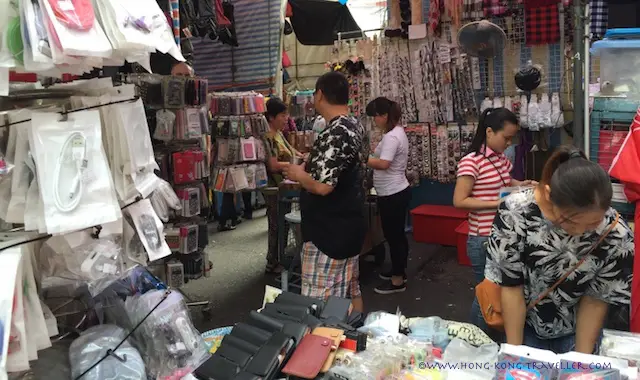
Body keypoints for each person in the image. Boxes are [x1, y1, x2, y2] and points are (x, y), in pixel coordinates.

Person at [482, 146, 633, 353]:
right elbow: (511, 286)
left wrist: (581, 362)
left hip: (575, 329)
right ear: (548, 194)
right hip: (520, 323)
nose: (580, 232)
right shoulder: (516, 213)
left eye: (592, 224)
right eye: (571, 221)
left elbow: (596, 301)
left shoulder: (616, 234)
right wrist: (515, 354)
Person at [283, 72, 368, 312]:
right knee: (351, 292)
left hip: (329, 232)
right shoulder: (354, 125)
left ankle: (325, 346)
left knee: (320, 304)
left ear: (319, 95)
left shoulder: (336, 131)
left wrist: (299, 174)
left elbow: (322, 186)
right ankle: (356, 339)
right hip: (348, 223)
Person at [453, 107, 534, 285]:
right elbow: (459, 201)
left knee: (499, 294)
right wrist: (497, 203)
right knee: (487, 297)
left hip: (501, 233)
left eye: (512, 138)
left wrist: (523, 184)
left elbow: (505, 181)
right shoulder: (471, 161)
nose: (509, 143)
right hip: (483, 238)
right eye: (506, 138)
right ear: (489, 132)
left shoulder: (499, 158)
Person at [365, 97, 411, 295]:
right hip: (393, 191)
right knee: (396, 236)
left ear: (383, 116)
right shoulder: (395, 133)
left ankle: (397, 280)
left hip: (393, 193)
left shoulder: (392, 136)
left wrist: (363, 158)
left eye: (374, 116)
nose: (373, 121)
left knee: (394, 237)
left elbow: (384, 163)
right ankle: (398, 270)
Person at [262, 97, 305, 274]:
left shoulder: (279, 134)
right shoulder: (267, 137)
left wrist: (303, 158)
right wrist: (293, 166)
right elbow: (272, 165)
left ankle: (281, 256)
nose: (286, 118)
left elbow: (293, 152)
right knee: (276, 224)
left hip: (285, 186)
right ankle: (272, 262)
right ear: (271, 117)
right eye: (282, 115)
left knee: (284, 223)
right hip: (274, 188)